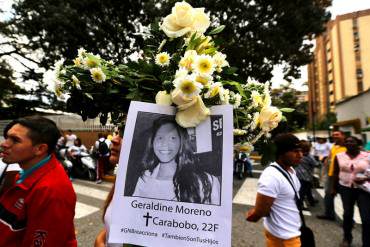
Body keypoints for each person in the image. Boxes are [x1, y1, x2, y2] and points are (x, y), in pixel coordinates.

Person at [0, 116, 77, 246]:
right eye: (7, 137)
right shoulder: (27, 173)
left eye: (15, 140)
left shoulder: (51, 190)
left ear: (40, 149)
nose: (4, 144)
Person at [131, 116, 220, 204]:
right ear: (152, 142)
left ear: (181, 142)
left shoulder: (206, 182)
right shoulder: (144, 179)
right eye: (160, 138)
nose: (165, 144)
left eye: (172, 138)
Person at [246, 133, 303, 247]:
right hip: (284, 240)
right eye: (295, 151)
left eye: (300, 150)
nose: (300, 155)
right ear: (281, 153)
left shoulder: (290, 170)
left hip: (292, 233)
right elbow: (261, 211)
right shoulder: (271, 176)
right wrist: (251, 216)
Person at [332, 136, 370, 247]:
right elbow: (335, 172)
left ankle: (367, 242)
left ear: (358, 143)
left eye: (351, 141)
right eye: (347, 141)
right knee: (347, 214)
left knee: (366, 217)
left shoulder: (367, 155)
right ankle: (347, 238)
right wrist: (334, 188)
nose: (349, 143)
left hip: (363, 189)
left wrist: (365, 178)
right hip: (345, 188)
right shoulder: (339, 156)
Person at [317, 130, 346, 221]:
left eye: (337, 134)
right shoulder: (334, 146)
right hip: (331, 175)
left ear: (343, 135)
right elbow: (330, 157)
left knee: (345, 198)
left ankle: (348, 219)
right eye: (333, 135)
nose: (335, 136)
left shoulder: (347, 146)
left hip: (343, 176)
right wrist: (325, 161)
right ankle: (329, 214)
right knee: (328, 195)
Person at [295, 140, 318, 207]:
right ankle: (300, 204)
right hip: (306, 177)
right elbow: (315, 164)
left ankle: (311, 201)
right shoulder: (309, 157)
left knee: (307, 190)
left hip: (298, 175)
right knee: (302, 191)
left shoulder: (298, 155)